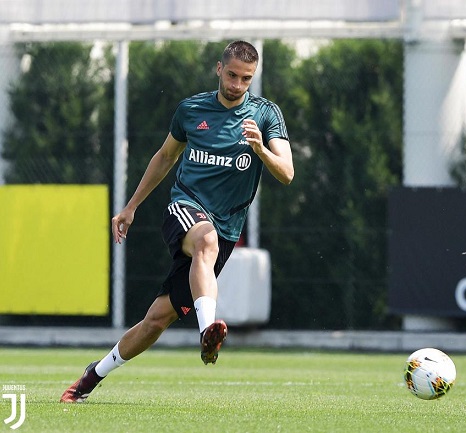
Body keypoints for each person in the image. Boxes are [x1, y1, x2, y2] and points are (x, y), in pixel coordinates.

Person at [60, 40, 294, 403]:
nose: (236, 85)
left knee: (157, 319)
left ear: (253, 77)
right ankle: (208, 332)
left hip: (226, 228)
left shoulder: (265, 115)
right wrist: (131, 206)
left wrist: (261, 149)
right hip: (184, 209)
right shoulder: (191, 110)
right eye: (231, 75)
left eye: (245, 79)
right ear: (219, 68)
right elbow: (166, 156)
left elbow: (288, 173)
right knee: (206, 240)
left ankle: (92, 376)